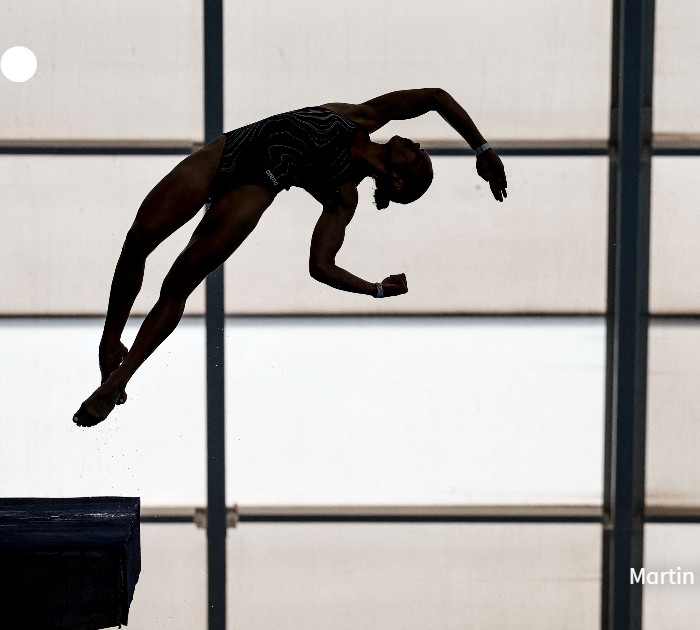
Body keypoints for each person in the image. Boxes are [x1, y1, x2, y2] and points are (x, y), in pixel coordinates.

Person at [73, 87, 508, 427]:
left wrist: (374, 288)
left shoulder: (343, 195)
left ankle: (119, 381)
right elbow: (435, 98)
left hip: (255, 187)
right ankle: (109, 342)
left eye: (419, 157)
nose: (416, 144)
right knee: (138, 239)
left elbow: (321, 266)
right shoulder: (362, 117)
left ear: (396, 181)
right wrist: (481, 148)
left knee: (179, 281)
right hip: (227, 150)